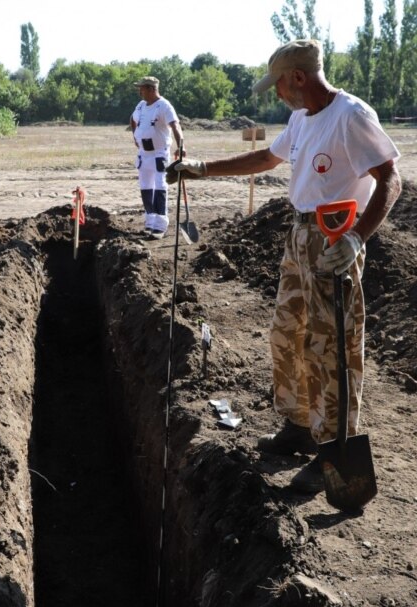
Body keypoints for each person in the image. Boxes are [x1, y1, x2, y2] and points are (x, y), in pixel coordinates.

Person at [169, 39, 401, 493]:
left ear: (298, 77)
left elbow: (391, 178)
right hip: (299, 237)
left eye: (278, 84)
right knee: (287, 332)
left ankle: (335, 448)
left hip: (335, 238)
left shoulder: (351, 115)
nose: (276, 94)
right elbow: (265, 158)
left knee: (332, 346)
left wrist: (356, 238)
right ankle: (299, 425)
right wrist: (200, 169)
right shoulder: (300, 118)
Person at [129, 76, 184, 240]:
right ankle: (150, 220)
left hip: (159, 153)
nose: (140, 91)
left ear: (152, 89)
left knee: (160, 186)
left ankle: (160, 225)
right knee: (146, 186)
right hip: (143, 154)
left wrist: (181, 146)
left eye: (143, 88)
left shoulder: (164, 106)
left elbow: (175, 125)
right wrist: (135, 137)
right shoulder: (140, 105)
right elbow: (132, 120)